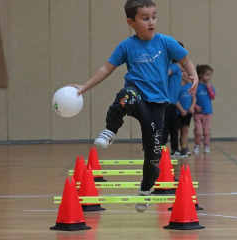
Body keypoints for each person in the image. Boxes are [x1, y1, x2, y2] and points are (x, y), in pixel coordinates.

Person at [68, 0, 198, 212]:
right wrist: (84, 87)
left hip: (156, 106)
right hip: (136, 94)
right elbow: (106, 68)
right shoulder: (126, 46)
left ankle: (146, 189)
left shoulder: (166, 42)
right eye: (145, 18)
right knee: (124, 96)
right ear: (131, 22)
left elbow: (185, 60)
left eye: (153, 17)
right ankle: (111, 130)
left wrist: (193, 76)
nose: (151, 22)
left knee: (154, 154)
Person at [161, 42, 184, 158]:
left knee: (173, 127)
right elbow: (164, 74)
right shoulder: (173, 66)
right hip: (167, 101)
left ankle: (175, 149)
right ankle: (161, 148)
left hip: (173, 102)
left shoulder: (176, 67)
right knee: (165, 126)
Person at [193, 65, 216, 154]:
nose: (208, 77)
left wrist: (209, 88)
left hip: (207, 112)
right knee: (198, 130)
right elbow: (192, 98)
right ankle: (197, 145)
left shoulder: (210, 86)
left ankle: (206, 145)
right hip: (198, 113)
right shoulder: (196, 86)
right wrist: (195, 106)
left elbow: (213, 96)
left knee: (206, 130)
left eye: (210, 75)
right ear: (200, 75)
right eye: (207, 75)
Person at [176, 67, 197, 157]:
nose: (184, 74)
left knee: (185, 129)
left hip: (188, 112)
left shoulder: (190, 86)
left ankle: (184, 147)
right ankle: (176, 148)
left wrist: (192, 107)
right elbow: (175, 99)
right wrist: (181, 109)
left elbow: (194, 98)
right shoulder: (177, 86)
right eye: (182, 72)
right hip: (178, 112)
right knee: (177, 130)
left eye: (186, 72)